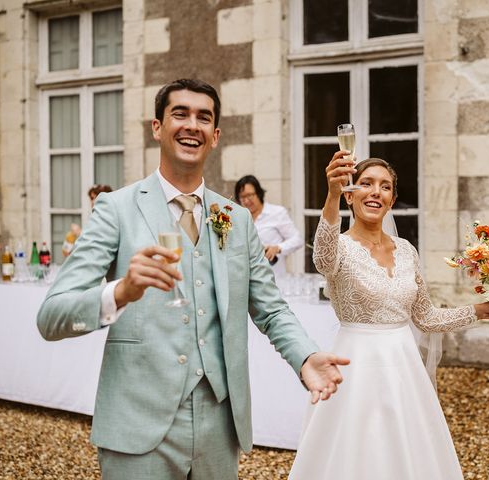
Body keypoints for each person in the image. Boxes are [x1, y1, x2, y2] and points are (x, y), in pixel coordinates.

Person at [37, 79, 349, 480]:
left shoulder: (235, 219)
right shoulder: (116, 209)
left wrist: (305, 356)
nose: (192, 125)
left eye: (204, 117)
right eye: (179, 114)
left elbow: (270, 308)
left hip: (219, 429)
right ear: (157, 127)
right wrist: (120, 291)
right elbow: (51, 317)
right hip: (138, 428)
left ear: (215, 135)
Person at [288, 154, 489, 479]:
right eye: (366, 184)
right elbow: (321, 257)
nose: (376, 192)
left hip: (404, 367)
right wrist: (331, 194)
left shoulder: (406, 250)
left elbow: (427, 318)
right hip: (355, 367)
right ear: (350, 195)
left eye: (385, 187)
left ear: (391, 200)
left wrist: (480, 311)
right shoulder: (339, 249)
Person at [234, 175, 303, 278]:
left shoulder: (277, 212)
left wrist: (278, 248)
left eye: (250, 195)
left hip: (274, 278)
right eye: (242, 197)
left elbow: (298, 240)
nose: (247, 201)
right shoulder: (238, 218)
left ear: (259, 193)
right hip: (246, 279)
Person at [61, 184, 113, 258]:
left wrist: (80, 233)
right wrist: (69, 245)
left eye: (97, 197)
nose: (93, 201)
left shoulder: (111, 219)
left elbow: (101, 247)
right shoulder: (95, 219)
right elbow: (67, 253)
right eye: (92, 198)